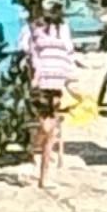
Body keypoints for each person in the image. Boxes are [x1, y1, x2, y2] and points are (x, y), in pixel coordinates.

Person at [26, 11, 79, 183]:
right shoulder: (35, 27)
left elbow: (69, 55)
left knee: (52, 131)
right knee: (47, 128)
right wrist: (33, 74)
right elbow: (31, 52)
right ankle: (33, 150)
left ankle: (44, 176)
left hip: (57, 84)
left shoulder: (64, 29)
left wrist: (72, 83)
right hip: (41, 84)